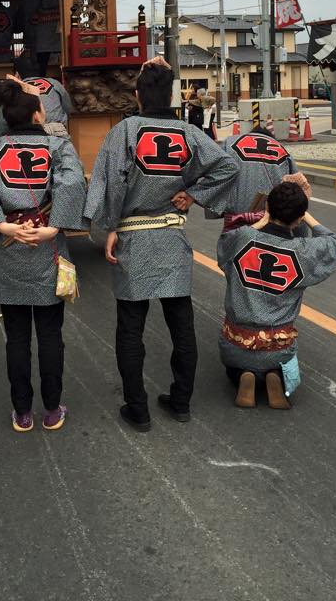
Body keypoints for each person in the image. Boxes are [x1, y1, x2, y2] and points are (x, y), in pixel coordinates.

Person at [84, 57, 239, 432]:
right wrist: (194, 193)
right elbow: (228, 166)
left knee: (130, 329)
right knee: (181, 324)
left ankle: (137, 408)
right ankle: (181, 401)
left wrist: (106, 228)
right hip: (171, 235)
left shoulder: (125, 132)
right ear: (171, 94)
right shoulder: (188, 132)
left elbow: (109, 183)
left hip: (133, 235)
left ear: (137, 95)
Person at [0, 79, 87, 432]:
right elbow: (73, 182)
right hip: (47, 245)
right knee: (50, 334)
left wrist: (4, 227)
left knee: (16, 336)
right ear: (37, 113)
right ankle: (51, 408)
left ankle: (22, 411)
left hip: (9, 247)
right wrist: (53, 227)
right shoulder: (59, 146)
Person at [217, 182, 336, 409]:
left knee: (235, 367)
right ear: (298, 218)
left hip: (236, 342)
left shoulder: (242, 238)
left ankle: (244, 376)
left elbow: (225, 241)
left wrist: (261, 221)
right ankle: (273, 373)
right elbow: (334, 243)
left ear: (268, 207)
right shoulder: (303, 250)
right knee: (277, 360)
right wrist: (307, 217)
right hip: (278, 346)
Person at [210, 125, 310, 231]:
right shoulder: (281, 149)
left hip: (236, 220)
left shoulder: (229, 143)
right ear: (270, 138)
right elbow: (296, 189)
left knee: (234, 244)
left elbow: (216, 174)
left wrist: (217, 209)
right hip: (271, 220)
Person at [0, 71, 73, 140]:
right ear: (37, 115)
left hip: (13, 138)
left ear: (17, 75)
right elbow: (69, 109)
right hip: (55, 132)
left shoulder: (10, 94)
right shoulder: (54, 83)